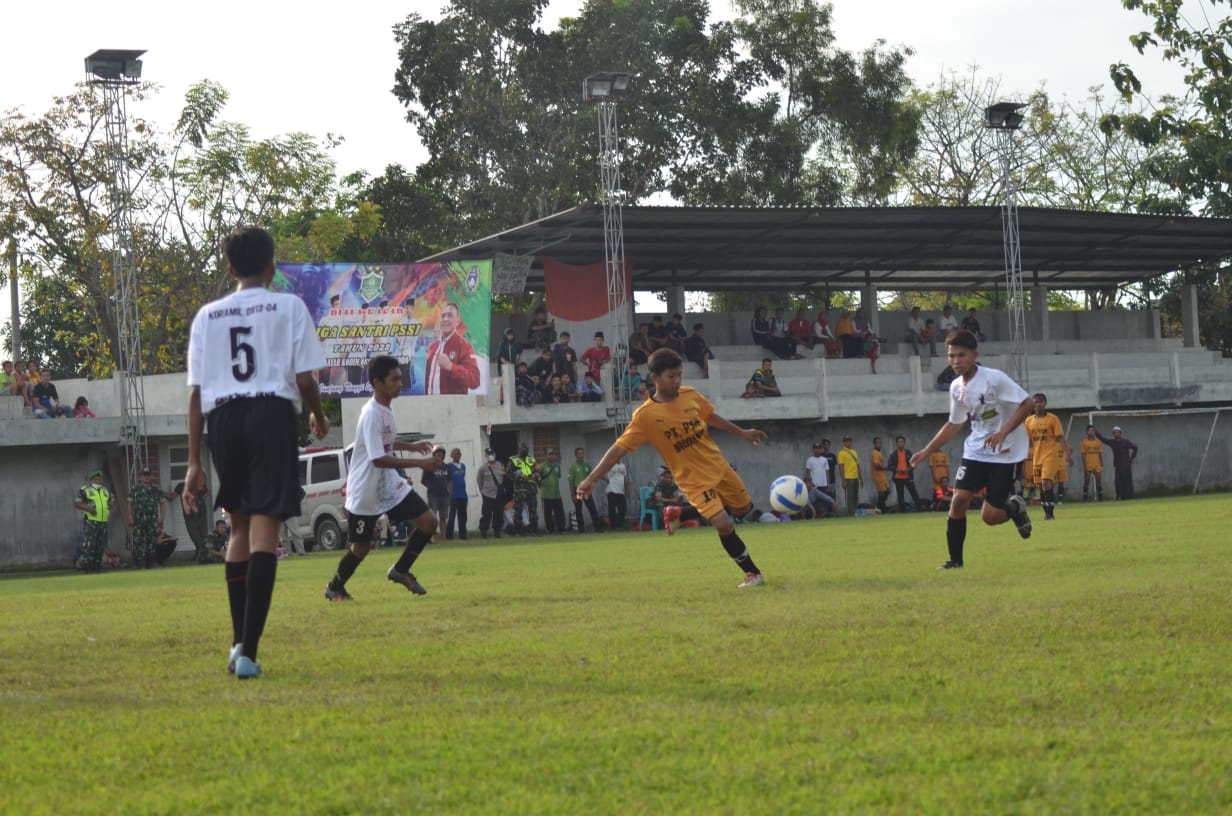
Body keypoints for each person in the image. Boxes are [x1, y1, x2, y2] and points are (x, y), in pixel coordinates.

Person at [183, 225, 329, 679]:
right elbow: (305, 379)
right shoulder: (289, 306)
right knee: (266, 530)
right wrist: (318, 415)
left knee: (238, 530)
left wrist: (192, 462)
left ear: (229, 268)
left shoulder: (207, 316)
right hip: (270, 415)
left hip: (223, 420)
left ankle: (235, 642)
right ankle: (248, 652)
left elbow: (195, 393)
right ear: (272, 267)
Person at [576, 349, 769, 588]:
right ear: (655, 377)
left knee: (744, 510)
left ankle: (680, 513)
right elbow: (619, 448)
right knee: (723, 523)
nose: (677, 381)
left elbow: (712, 417)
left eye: (679, 375)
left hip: (719, 468)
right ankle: (753, 573)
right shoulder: (645, 416)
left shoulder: (690, 395)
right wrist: (592, 478)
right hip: (692, 479)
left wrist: (742, 433)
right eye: (671, 376)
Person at [909, 329, 1034, 571]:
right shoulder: (956, 387)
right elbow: (955, 422)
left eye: (961, 355)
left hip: (1004, 453)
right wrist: (927, 450)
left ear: (975, 354)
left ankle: (1014, 507)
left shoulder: (994, 379)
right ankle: (955, 561)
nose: (956, 361)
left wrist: (1003, 432)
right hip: (976, 451)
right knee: (958, 501)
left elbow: (1027, 403)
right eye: (951, 356)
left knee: (989, 517)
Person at [326, 355, 440, 605]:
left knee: (429, 522)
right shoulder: (371, 414)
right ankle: (334, 587)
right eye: (394, 379)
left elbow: (383, 443)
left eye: (400, 378)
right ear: (377, 382)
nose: (400, 383)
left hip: (388, 484)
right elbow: (378, 458)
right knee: (360, 548)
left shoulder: (387, 408)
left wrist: (410, 446)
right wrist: (421, 463)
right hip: (366, 489)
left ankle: (401, 569)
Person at [1024, 393, 1067, 521]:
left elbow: (1060, 438)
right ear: (1033, 404)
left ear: (1045, 403)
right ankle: (1046, 512)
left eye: (1041, 401)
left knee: (1046, 482)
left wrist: (1068, 455)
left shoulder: (1053, 419)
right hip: (1037, 456)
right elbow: (1028, 441)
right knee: (1040, 486)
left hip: (1050, 455)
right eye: (1036, 402)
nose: (1039, 404)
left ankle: (1050, 513)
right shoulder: (1029, 421)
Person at [425, 301, 481, 395]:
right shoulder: (433, 347)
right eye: (443, 316)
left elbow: (475, 380)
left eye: (450, 315)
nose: (445, 319)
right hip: (430, 406)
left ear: (457, 321)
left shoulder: (465, 346)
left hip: (452, 408)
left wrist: (451, 367)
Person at [74, 469, 115, 573]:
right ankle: (89, 568)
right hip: (91, 522)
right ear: (91, 480)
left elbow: (111, 498)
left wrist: (111, 503)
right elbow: (77, 503)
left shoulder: (105, 490)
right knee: (90, 545)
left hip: (103, 522)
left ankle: (97, 567)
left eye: (100, 479)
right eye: (96, 479)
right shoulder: (85, 490)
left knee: (100, 546)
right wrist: (89, 509)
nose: (98, 481)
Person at [129, 467, 169, 569]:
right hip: (139, 519)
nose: (146, 477)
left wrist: (162, 517)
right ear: (140, 477)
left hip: (152, 520)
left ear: (151, 476)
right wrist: (130, 516)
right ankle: (137, 564)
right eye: (144, 475)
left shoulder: (156, 489)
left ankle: (150, 563)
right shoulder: (135, 489)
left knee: (151, 541)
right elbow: (130, 503)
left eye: (148, 475)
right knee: (138, 541)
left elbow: (162, 503)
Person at [1095, 425, 1139, 500]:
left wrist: (1131, 458)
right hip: (1118, 465)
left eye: (1117, 432)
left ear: (1120, 433)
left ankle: (1129, 496)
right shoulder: (1112, 442)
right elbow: (1103, 439)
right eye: (1114, 433)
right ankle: (1119, 496)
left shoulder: (1126, 442)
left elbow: (1135, 448)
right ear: (1113, 434)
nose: (1116, 434)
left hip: (1126, 465)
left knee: (1127, 481)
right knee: (1118, 482)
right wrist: (1095, 431)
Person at [174, 481, 212, 563]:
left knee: (203, 536)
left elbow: (207, 492)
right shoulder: (181, 485)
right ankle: (202, 555)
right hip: (189, 516)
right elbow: (172, 496)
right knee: (195, 537)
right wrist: (161, 492)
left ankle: (202, 556)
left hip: (201, 514)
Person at [569, 447, 605, 533]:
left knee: (592, 508)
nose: (581, 455)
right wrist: (573, 494)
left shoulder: (587, 466)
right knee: (578, 510)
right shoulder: (573, 467)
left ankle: (597, 528)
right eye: (579, 454)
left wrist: (604, 478)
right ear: (576, 455)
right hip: (577, 489)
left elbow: (593, 475)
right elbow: (570, 481)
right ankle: (581, 529)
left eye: (582, 453)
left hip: (586, 490)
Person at [507, 444, 541, 535]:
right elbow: (509, 475)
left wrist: (535, 476)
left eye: (526, 449)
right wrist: (520, 477)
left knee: (533, 510)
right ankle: (519, 530)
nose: (524, 450)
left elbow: (537, 471)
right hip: (520, 489)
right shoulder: (513, 460)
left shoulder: (531, 459)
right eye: (523, 449)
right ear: (519, 449)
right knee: (518, 510)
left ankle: (534, 530)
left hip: (532, 488)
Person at [421, 446, 452, 536]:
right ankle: (431, 537)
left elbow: (449, 481)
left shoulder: (447, 467)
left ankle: (443, 538)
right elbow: (423, 481)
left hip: (445, 496)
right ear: (434, 454)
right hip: (433, 496)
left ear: (443, 455)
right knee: (432, 518)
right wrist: (430, 486)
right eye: (437, 452)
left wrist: (449, 491)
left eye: (441, 453)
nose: (439, 454)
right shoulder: (429, 466)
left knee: (443, 518)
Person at [888, 436, 923, 512]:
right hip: (898, 478)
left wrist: (908, 469)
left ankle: (920, 510)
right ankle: (903, 511)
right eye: (899, 442)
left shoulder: (909, 453)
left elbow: (915, 463)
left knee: (914, 493)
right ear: (896, 444)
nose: (900, 443)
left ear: (904, 443)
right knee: (900, 495)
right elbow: (890, 466)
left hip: (908, 477)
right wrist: (897, 470)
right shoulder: (893, 454)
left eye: (902, 442)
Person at [476, 447, 505, 539]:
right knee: (486, 514)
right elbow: (479, 480)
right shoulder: (482, 468)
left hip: (498, 494)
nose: (490, 456)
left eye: (492, 454)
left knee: (499, 513)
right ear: (486, 456)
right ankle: (484, 533)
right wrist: (482, 491)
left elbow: (503, 477)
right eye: (488, 454)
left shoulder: (500, 465)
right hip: (487, 494)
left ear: (495, 454)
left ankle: (497, 532)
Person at [538, 447, 567, 534]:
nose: (552, 456)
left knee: (560, 512)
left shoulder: (557, 466)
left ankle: (561, 529)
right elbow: (536, 478)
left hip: (556, 494)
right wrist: (540, 485)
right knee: (548, 514)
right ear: (545, 456)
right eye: (549, 454)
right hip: (546, 494)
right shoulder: (541, 466)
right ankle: (550, 530)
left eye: (553, 454)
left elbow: (558, 476)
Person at [805, 441, 837, 517]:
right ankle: (816, 515)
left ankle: (827, 515)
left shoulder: (824, 460)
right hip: (814, 485)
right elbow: (807, 473)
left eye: (819, 448)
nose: (817, 450)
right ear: (813, 450)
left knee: (825, 501)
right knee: (815, 502)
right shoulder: (809, 460)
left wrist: (828, 483)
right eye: (816, 449)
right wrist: (809, 484)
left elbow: (827, 472)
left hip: (823, 484)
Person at [445, 447, 469, 540]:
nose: (457, 455)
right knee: (451, 517)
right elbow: (447, 480)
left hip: (463, 495)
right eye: (455, 454)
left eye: (458, 453)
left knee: (463, 517)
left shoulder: (463, 466)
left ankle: (463, 536)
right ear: (451, 455)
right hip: (453, 496)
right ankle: (449, 536)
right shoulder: (449, 466)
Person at [836, 435, 862, 515]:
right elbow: (841, 467)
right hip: (848, 478)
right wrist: (843, 480)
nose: (848, 442)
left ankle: (856, 512)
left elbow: (857, 465)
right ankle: (851, 513)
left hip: (855, 477)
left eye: (849, 441)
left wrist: (861, 478)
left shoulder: (854, 452)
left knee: (855, 496)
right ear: (844, 442)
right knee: (850, 498)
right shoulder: (842, 453)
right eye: (846, 441)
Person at [1080, 425, 1105, 501]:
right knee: (1087, 481)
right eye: (1090, 431)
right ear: (1087, 432)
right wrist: (1085, 466)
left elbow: (1100, 454)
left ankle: (1100, 498)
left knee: (1099, 481)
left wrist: (1101, 464)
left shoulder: (1098, 442)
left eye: (1093, 431)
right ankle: (1085, 498)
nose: (1091, 432)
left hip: (1097, 464)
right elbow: (1083, 455)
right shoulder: (1084, 442)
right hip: (1088, 464)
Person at [605, 458, 629, 531]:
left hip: (620, 491)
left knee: (623, 510)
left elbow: (625, 478)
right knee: (612, 510)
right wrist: (608, 480)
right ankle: (613, 527)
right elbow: (601, 474)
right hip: (611, 490)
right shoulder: (609, 465)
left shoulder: (623, 466)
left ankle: (619, 525)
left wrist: (626, 490)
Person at [870, 436, 891, 514]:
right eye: (877, 443)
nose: (879, 444)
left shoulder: (879, 452)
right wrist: (886, 468)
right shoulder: (874, 452)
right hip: (878, 476)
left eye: (880, 443)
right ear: (874, 444)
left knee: (887, 491)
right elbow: (877, 466)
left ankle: (879, 508)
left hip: (882, 475)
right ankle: (881, 509)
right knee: (882, 493)